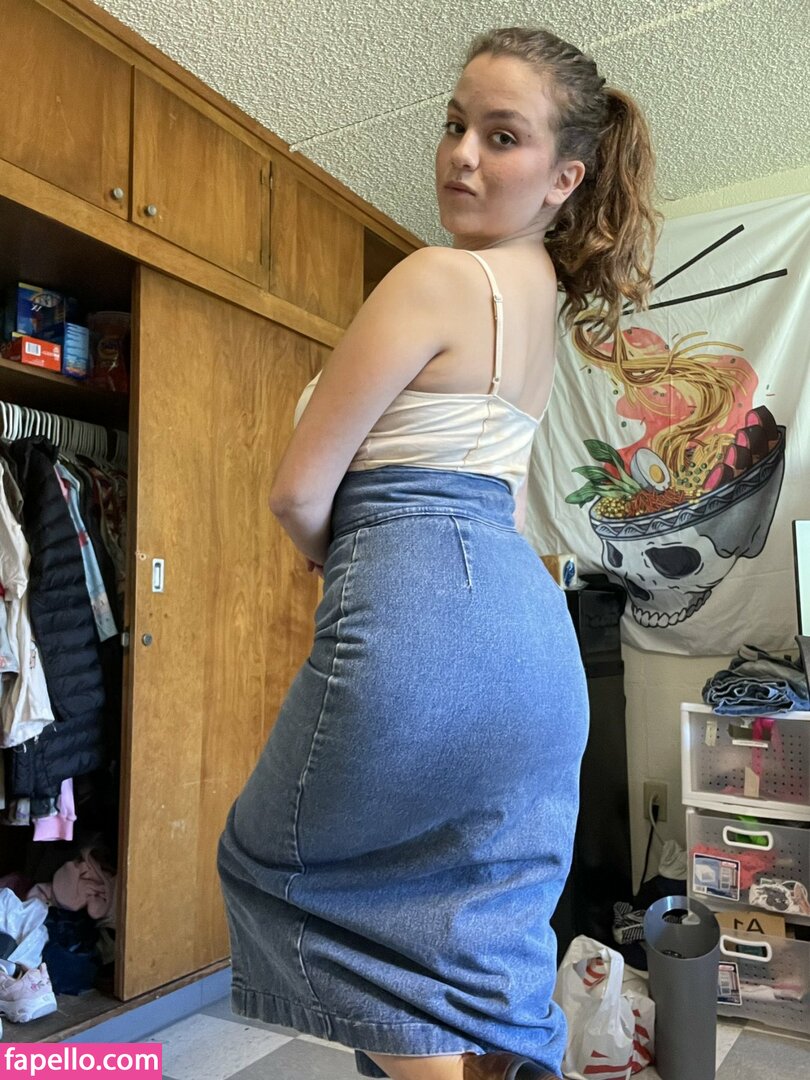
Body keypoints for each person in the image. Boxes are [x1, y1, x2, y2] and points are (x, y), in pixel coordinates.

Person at [217, 25, 660, 1080]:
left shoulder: (435, 277)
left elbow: (296, 491)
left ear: (564, 176)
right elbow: (507, 502)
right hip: (533, 634)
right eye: (456, 124)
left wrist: (341, 560)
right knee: (475, 935)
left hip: (418, 597)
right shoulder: (541, 306)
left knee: (278, 868)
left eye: (501, 136)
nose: (462, 154)